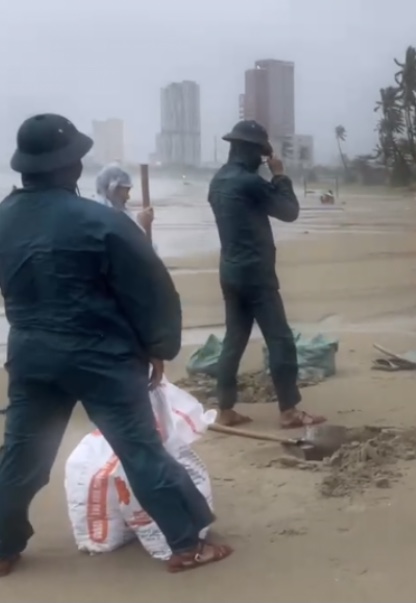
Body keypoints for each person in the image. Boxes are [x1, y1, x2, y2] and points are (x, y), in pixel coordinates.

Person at [0, 114, 230, 577]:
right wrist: (158, 346)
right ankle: (186, 543)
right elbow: (149, 290)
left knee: (23, 454)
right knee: (139, 448)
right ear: (71, 166)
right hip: (100, 356)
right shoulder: (100, 221)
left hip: (31, 353)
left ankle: (3, 547)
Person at [208, 120, 325, 429]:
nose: (261, 160)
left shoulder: (218, 181)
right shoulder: (249, 182)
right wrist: (280, 175)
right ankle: (289, 410)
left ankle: (225, 408)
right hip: (256, 273)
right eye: (261, 155)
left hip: (229, 270)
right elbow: (289, 211)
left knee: (234, 339)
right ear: (252, 152)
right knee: (281, 340)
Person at [95, 163, 155, 234]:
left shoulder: (117, 211)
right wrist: (139, 224)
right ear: (113, 189)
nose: (128, 197)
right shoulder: (99, 213)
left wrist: (138, 222)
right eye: (126, 191)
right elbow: (119, 238)